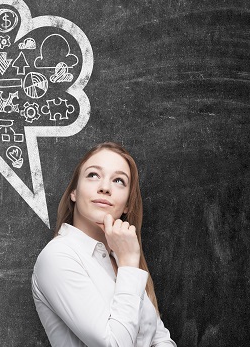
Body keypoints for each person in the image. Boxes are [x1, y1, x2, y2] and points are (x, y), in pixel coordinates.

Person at [32, 142, 176, 347]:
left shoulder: (119, 257)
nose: (105, 187)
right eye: (93, 175)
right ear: (74, 191)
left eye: (118, 180)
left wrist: (126, 262)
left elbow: (160, 339)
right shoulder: (58, 255)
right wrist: (128, 263)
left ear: (127, 204)